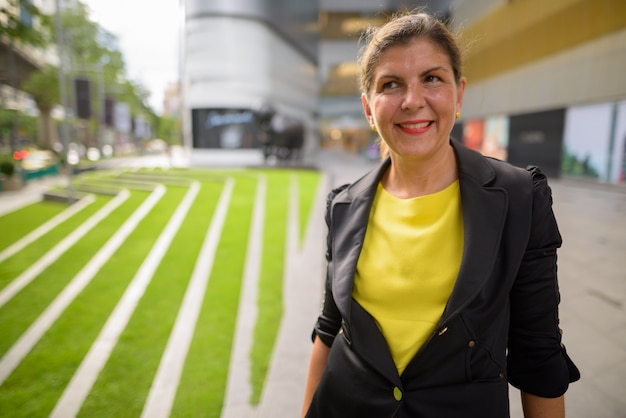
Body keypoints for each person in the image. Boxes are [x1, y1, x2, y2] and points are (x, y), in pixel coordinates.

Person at [301, 10, 580, 418]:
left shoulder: (519, 197)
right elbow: (329, 329)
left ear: (459, 93)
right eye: (391, 84)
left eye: (431, 78)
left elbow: (537, 355)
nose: (413, 101)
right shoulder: (343, 205)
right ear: (368, 108)